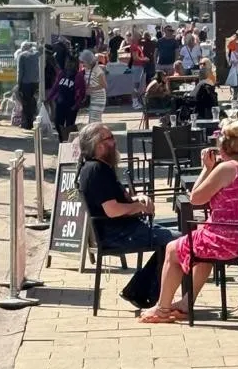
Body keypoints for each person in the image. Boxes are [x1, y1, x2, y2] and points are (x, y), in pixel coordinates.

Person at [139, 119, 238, 323]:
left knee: (173, 250)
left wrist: (206, 168)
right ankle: (185, 304)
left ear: (221, 148)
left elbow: (196, 199)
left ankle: (162, 309)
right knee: (202, 247)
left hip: (229, 241)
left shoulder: (226, 169)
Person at [76, 123, 178, 308]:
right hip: (117, 233)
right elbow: (112, 210)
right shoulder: (96, 171)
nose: (114, 142)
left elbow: (119, 200)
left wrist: (138, 199)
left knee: (175, 241)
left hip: (123, 229)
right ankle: (155, 299)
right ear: (98, 145)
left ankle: (139, 291)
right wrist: (138, 207)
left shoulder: (100, 168)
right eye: (109, 138)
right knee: (178, 243)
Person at [48, 54, 85, 141]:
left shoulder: (78, 76)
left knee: (69, 126)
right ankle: (62, 140)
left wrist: (76, 105)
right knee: (57, 123)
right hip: (60, 103)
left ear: (75, 64)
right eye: (67, 63)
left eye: (71, 63)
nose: (68, 65)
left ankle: (70, 142)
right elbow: (56, 86)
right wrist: (49, 97)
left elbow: (82, 92)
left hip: (71, 105)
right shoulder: (62, 73)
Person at [16, 41, 40, 129]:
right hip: (35, 82)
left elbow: (20, 72)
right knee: (33, 102)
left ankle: (27, 123)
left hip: (25, 83)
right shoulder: (37, 54)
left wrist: (18, 84)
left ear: (23, 48)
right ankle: (34, 120)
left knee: (26, 103)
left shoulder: (22, 56)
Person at [79, 49, 107, 123]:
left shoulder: (98, 71)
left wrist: (91, 89)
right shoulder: (87, 69)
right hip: (92, 97)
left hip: (99, 97)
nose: (83, 64)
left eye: (84, 62)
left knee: (94, 119)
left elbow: (104, 85)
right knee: (93, 119)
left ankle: (97, 133)